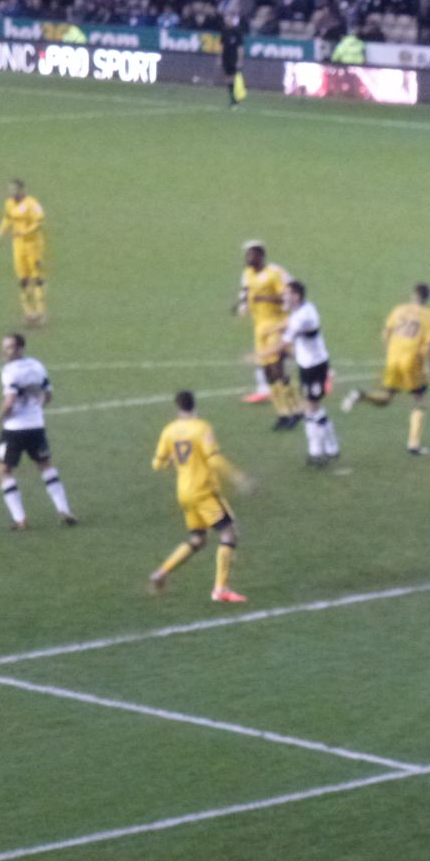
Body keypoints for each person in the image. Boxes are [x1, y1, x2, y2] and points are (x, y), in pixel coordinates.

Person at [150, 391, 249, 602]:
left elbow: (157, 463)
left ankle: (161, 572)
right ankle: (221, 589)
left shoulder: (169, 431)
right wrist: (237, 477)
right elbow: (213, 458)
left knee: (198, 539)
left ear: (177, 408)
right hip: (203, 491)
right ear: (195, 406)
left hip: (184, 492)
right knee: (229, 534)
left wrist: (172, 461)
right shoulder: (202, 428)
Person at [341, 283, 430, 455]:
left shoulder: (399, 309)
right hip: (412, 361)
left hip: (393, 358)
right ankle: (414, 444)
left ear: (413, 295)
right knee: (420, 400)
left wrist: (391, 350)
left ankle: (361, 395)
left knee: (387, 398)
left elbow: (385, 334)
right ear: (427, 298)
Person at [0, 334, 76, 529]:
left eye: (9, 348)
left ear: (20, 348)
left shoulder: (10, 371)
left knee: (3, 471)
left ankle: (20, 519)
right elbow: (48, 395)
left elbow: (10, 401)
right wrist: (36, 410)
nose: (5, 351)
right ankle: (63, 509)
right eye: (4, 347)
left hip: (14, 430)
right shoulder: (37, 366)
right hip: (37, 427)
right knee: (46, 466)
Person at [233, 240, 304, 427]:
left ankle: (296, 409)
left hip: (276, 325)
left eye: (251, 254)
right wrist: (241, 305)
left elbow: (288, 296)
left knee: (277, 368)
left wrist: (266, 298)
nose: (248, 258)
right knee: (268, 372)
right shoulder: (247, 273)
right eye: (247, 254)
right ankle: (282, 412)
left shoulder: (274, 273)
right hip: (259, 328)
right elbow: (246, 291)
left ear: (261, 255)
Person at [282, 281, 340, 465]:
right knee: (309, 407)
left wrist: (260, 354)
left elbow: (285, 342)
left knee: (311, 406)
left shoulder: (304, 316)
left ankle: (325, 447)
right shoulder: (301, 311)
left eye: (287, 293)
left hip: (316, 366)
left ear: (296, 296)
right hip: (307, 365)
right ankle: (322, 449)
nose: (284, 296)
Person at [0, 179, 47, 325]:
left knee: (37, 278)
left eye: (14, 189)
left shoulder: (32, 203)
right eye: (9, 189)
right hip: (18, 245)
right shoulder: (9, 203)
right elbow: (7, 218)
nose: (11, 192)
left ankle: (41, 312)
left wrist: (24, 232)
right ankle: (29, 312)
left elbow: (39, 222)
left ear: (22, 190)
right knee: (23, 279)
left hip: (33, 244)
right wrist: (1, 231)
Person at [220, 13, 244, 109]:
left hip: (233, 57)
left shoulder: (237, 31)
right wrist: (219, 58)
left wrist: (239, 60)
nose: (227, 21)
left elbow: (240, 47)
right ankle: (232, 99)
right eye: (225, 19)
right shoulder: (224, 31)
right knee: (228, 77)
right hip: (226, 57)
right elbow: (222, 45)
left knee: (233, 77)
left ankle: (235, 99)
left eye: (228, 19)